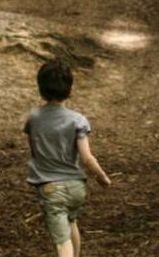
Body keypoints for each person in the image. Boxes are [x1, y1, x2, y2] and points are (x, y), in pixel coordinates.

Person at [26, 57, 114, 257]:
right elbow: (87, 158)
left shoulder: (34, 118)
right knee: (71, 222)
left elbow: (34, 148)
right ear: (69, 89)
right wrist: (102, 177)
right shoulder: (78, 120)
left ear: (41, 88)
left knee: (61, 242)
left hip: (51, 188)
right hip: (76, 187)